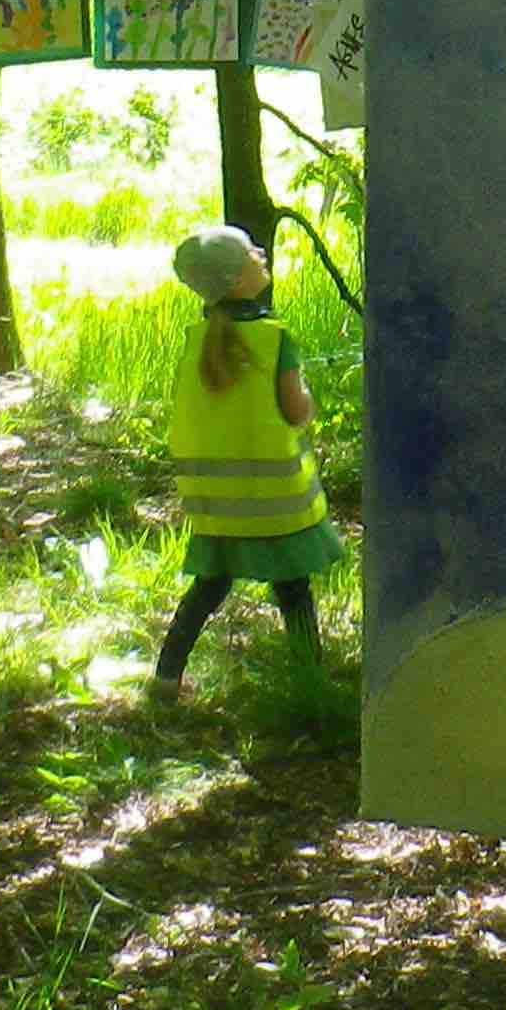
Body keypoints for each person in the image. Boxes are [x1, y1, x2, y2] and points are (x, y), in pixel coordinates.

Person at [151, 224, 342, 701]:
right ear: (236, 278)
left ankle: (166, 678)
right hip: (275, 503)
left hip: (218, 505)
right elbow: (295, 410)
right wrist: (309, 404)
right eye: (250, 252)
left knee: (208, 589)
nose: (261, 252)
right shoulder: (275, 338)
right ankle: (311, 682)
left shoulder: (197, 338)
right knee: (293, 590)